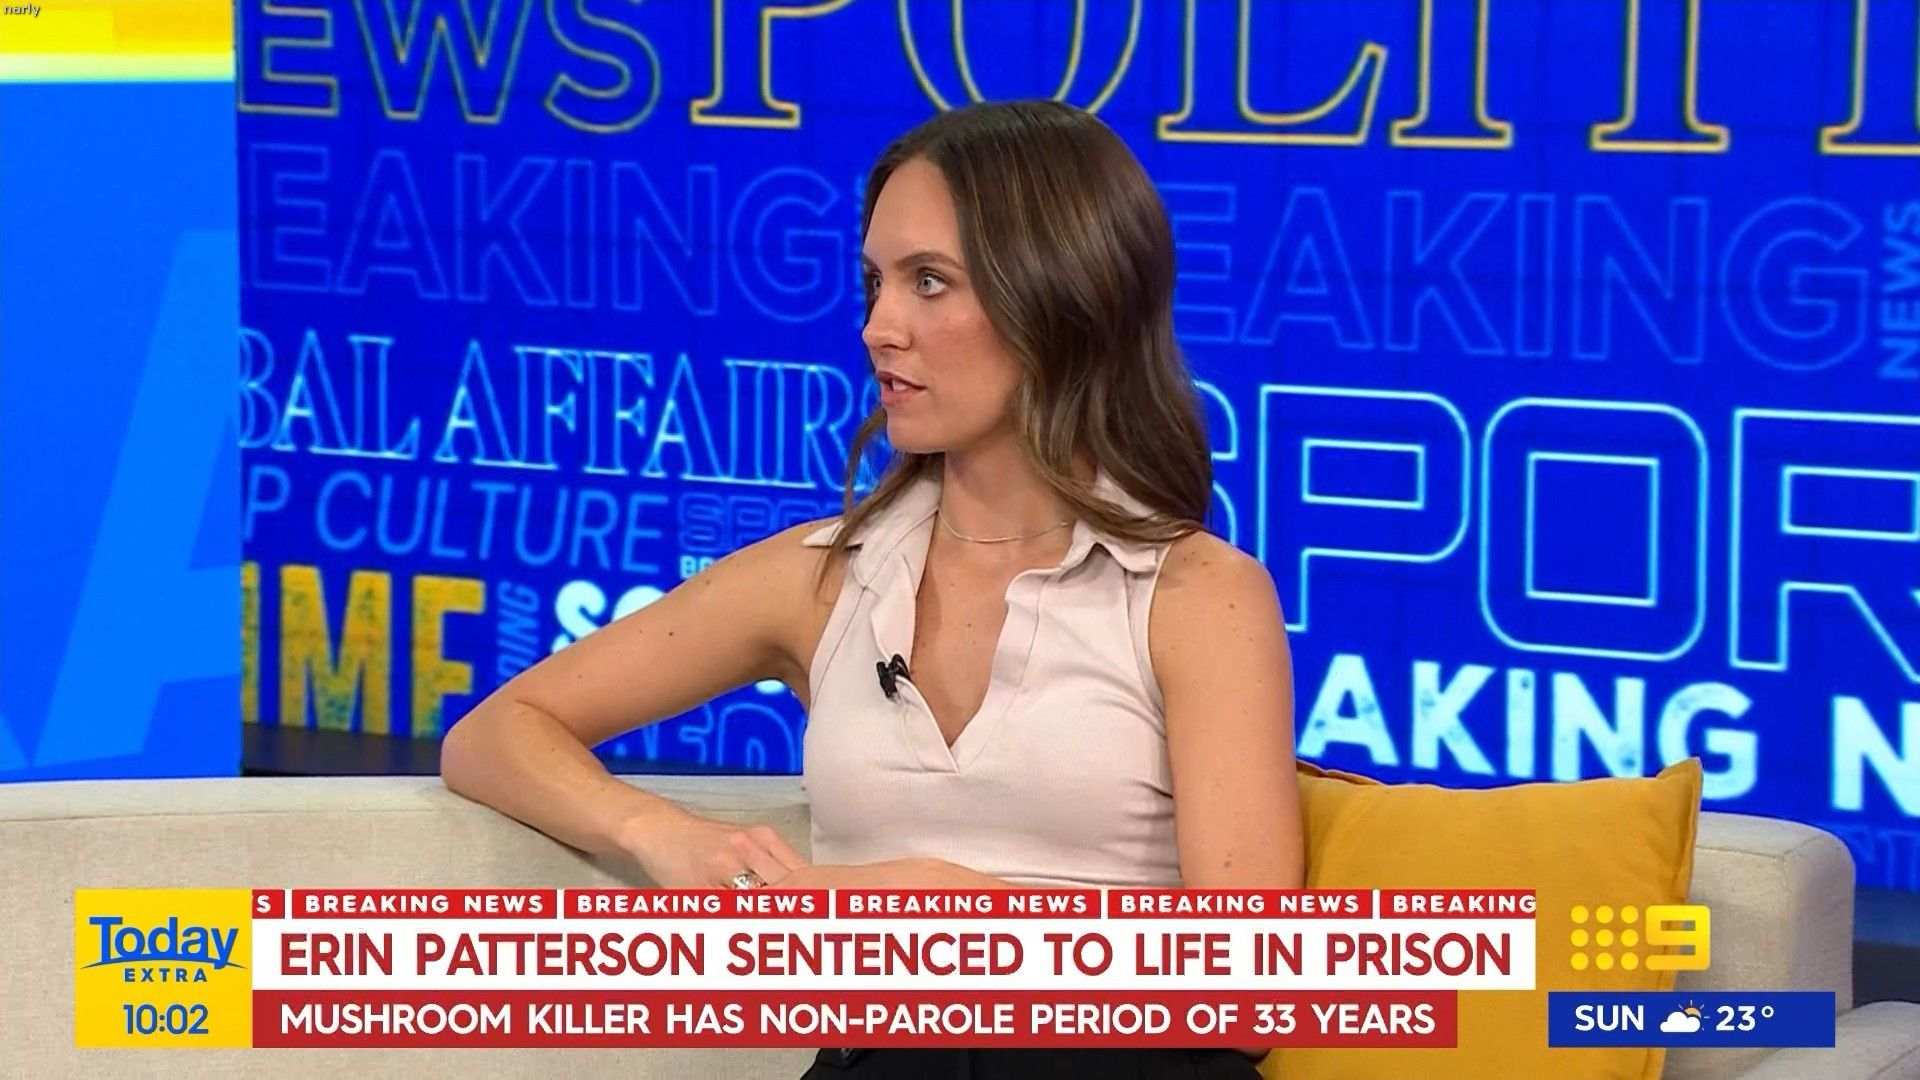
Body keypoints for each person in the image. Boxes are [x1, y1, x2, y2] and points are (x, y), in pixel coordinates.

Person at [441, 99, 1303, 1079]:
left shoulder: (1196, 595)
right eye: (875, 284)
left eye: (930, 282)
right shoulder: (821, 577)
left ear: (1062, 296)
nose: (878, 328)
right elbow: (494, 735)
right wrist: (661, 835)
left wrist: (955, 915)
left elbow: (1253, 993)